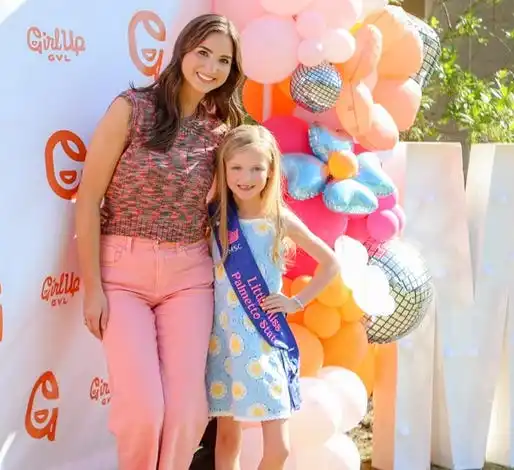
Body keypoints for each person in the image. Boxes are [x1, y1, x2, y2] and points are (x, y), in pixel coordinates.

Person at [74, 14, 244, 470]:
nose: (210, 67)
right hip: (122, 274)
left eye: (223, 60)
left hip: (189, 278)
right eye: (203, 52)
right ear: (182, 49)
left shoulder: (221, 132)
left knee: (189, 414)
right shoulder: (132, 108)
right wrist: (93, 288)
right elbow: (88, 198)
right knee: (143, 414)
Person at [206, 125, 340, 470]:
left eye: (255, 168)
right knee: (225, 437)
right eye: (236, 167)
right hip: (222, 340)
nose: (245, 177)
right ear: (222, 169)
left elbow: (330, 263)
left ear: (270, 171)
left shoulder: (279, 219)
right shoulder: (216, 218)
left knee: (278, 448)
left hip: (264, 340)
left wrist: (297, 302)